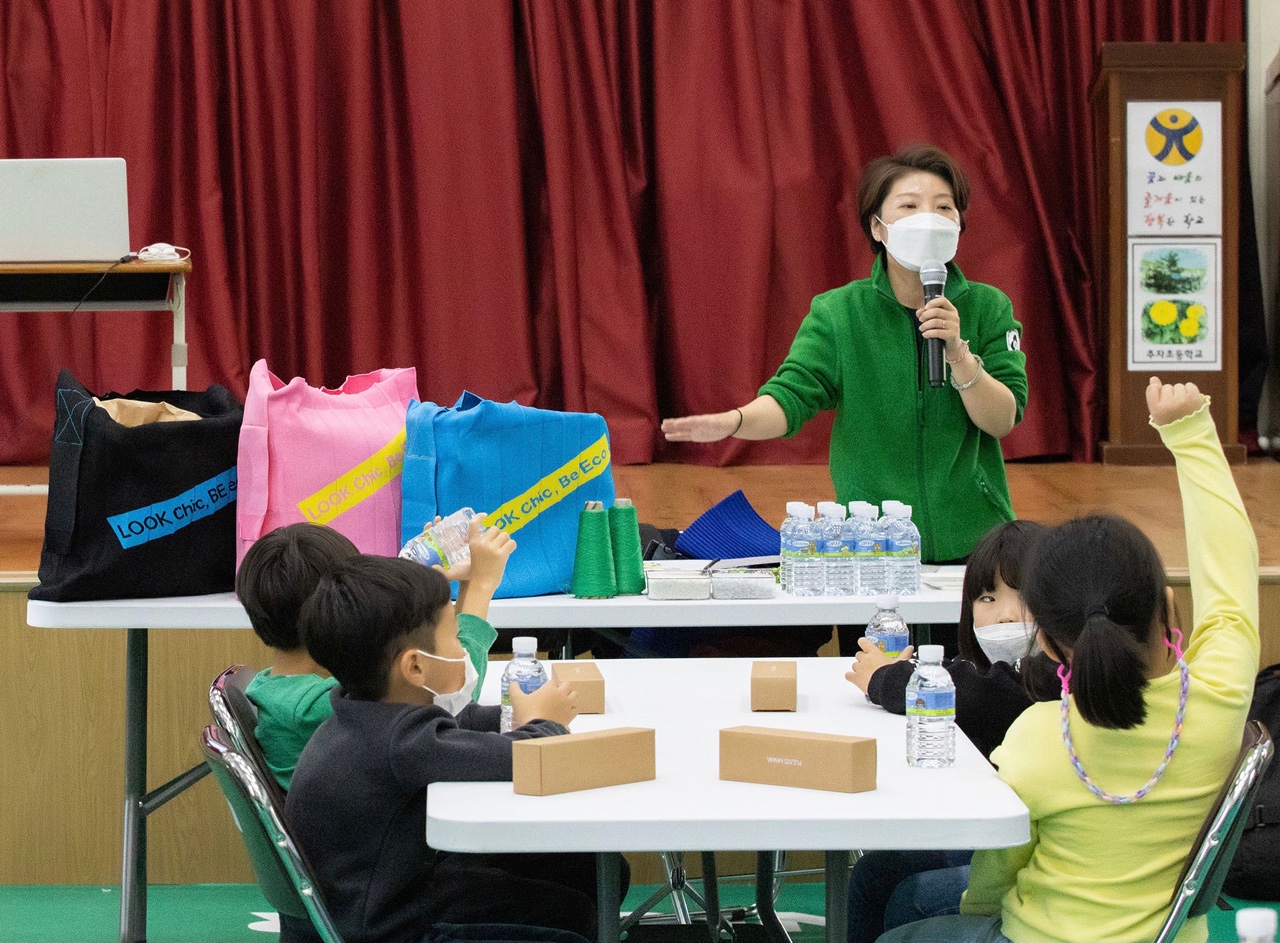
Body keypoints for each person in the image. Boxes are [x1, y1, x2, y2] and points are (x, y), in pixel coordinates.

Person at [879, 377, 1259, 943]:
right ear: (1169, 606)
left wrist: (973, 906)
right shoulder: (1221, 693)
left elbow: (993, 879)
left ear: (1051, 645)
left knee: (899, 918)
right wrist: (1191, 432)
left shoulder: (1038, 736)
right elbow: (1231, 567)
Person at [661, 144, 1027, 566]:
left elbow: (1002, 418)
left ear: (960, 223)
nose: (928, 218)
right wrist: (735, 421)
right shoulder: (838, 314)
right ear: (877, 227)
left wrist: (959, 354)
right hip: (873, 545)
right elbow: (791, 397)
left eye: (944, 207)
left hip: (977, 545)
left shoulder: (989, 307)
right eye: (909, 206)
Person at [286, 554, 599, 943]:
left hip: (380, 898)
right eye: (453, 638)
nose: (462, 651)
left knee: (580, 876)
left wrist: (515, 712)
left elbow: (457, 728)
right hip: (386, 926)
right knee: (572, 919)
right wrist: (545, 723)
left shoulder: (364, 713)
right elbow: (518, 758)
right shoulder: (402, 743)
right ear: (415, 667)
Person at [842, 520, 1057, 942]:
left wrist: (890, 679)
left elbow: (983, 697)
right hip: (1004, 844)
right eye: (987, 597)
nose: (1007, 614)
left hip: (1032, 855)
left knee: (909, 897)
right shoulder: (999, 669)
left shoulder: (1055, 677)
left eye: (1025, 598)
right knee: (873, 873)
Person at [237, 518, 509, 790]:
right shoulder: (313, 708)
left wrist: (437, 593)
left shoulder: (282, 688)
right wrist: (481, 587)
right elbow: (451, 695)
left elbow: (444, 680)